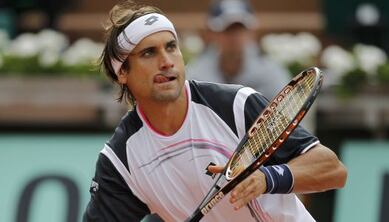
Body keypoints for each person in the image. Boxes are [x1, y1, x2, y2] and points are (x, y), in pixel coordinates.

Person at [83, 1, 347, 221]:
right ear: (122, 73)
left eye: (171, 47)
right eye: (149, 53)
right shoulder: (122, 160)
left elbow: (332, 170)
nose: (166, 62)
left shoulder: (235, 105)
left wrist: (267, 178)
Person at [186, 0, 291, 100]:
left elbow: (288, 114)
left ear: (252, 32)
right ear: (211, 34)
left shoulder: (272, 74)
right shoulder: (194, 75)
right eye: (226, 29)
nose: (234, 36)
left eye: (240, 29)